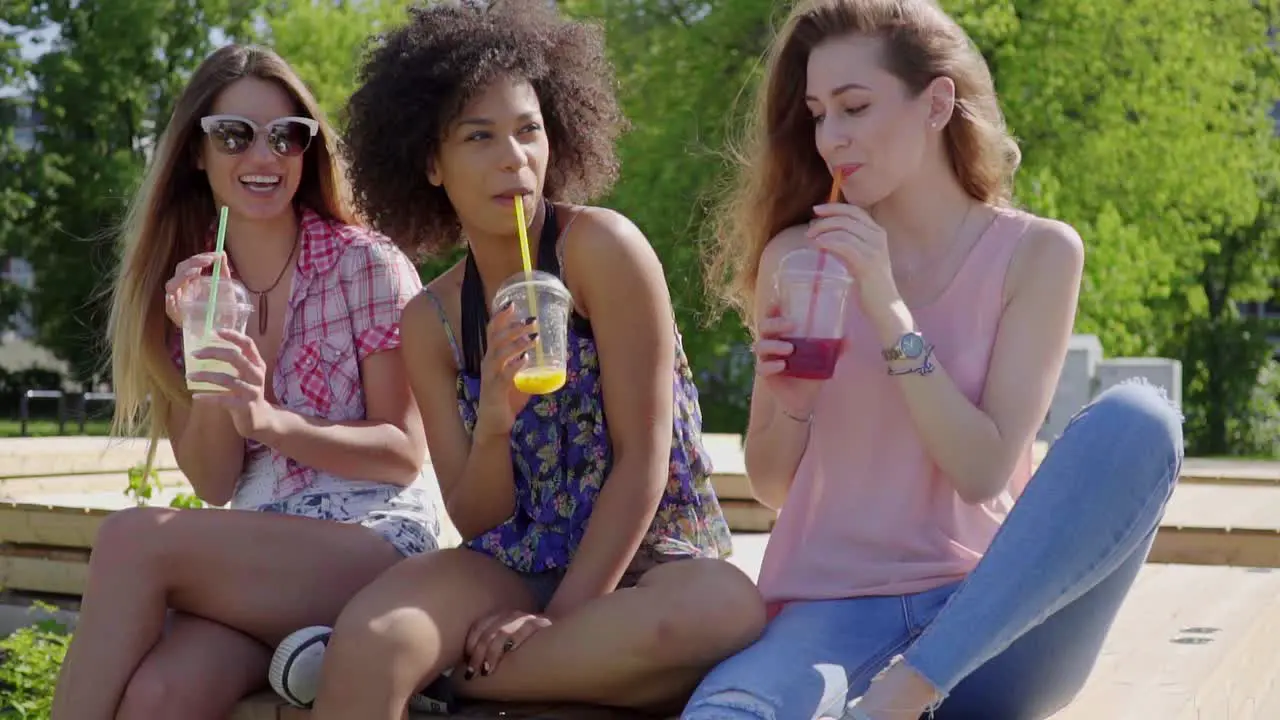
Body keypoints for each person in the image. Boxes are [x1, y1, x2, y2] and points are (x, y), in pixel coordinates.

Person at [682, 1, 1184, 719]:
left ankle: (902, 699)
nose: (831, 138)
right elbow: (772, 486)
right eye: (819, 113)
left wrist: (887, 309)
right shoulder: (799, 260)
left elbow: (982, 470)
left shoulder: (1037, 254)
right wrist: (790, 399)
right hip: (831, 614)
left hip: (988, 620)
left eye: (854, 107)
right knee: (726, 714)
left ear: (937, 103)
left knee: (1141, 421)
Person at [263, 2, 766, 717]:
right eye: (479, 136)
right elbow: (475, 517)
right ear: (432, 164)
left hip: (652, 555)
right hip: (516, 558)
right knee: (380, 638)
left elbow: (644, 458)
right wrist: (495, 419)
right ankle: (391, 660)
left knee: (727, 613)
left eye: (529, 131)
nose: (514, 158)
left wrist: (559, 617)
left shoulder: (603, 251)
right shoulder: (432, 321)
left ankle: (443, 675)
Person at [50, 44, 444, 720]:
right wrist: (209, 363)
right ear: (195, 153)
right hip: (259, 557)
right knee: (157, 696)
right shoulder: (188, 290)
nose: (263, 158)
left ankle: (332, 644)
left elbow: (403, 450)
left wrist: (268, 421)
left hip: (376, 546)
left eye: (286, 137)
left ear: (307, 151)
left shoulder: (367, 265)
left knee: (131, 538)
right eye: (233, 135)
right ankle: (310, 649)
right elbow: (214, 483)